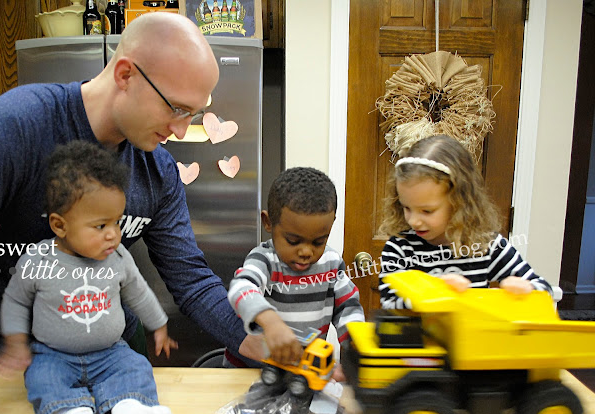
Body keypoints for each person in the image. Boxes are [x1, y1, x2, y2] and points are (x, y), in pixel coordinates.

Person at [0, 12, 259, 414]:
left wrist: (253, 340)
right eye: (177, 108)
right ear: (125, 75)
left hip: (114, 358)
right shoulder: (10, 132)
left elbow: (193, 282)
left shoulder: (157, 171)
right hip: (24, 376)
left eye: (194, 114)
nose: (182, 130)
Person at [0, 140, 178, 414]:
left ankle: (128, 410)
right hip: (53, 355)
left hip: (110, 352)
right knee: (41, 378)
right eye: (100, 225)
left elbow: (138, 292)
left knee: (135, 366)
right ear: (59, 225)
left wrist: (159, 325)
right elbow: (15, 301)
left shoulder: (118, 257)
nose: (113, 234)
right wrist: (14, 341)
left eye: (116, 223)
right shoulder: (37, 260)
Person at [378, 134, 552, 309]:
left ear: (459, 203)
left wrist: (526, 289)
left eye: (427, 211)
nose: (414, 221)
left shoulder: (485, 245)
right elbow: (390, 302)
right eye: (406, 208)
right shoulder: (399, 247)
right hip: (416, 337)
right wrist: (437, 295)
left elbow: (545, 291)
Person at [227, 167, 365, 379]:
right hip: (251, 369)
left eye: (319, 241)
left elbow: (348, 307)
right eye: (293, 241)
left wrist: (354, 347)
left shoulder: (331, 263)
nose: (306, 252)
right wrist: (270, 322)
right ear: (268, 223)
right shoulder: (264, 259)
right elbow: (241, 288)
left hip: (302, 370)